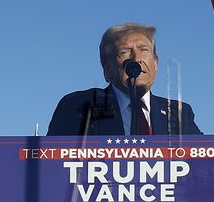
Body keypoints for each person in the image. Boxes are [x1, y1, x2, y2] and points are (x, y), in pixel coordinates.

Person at [46, 23, 202, 137]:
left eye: (143, 50)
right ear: (108, 70)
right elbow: (52, 165)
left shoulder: (179, 114)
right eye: (125, 52)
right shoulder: (78, 107)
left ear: (156, 64)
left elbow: (207, 166)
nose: (136, 59)